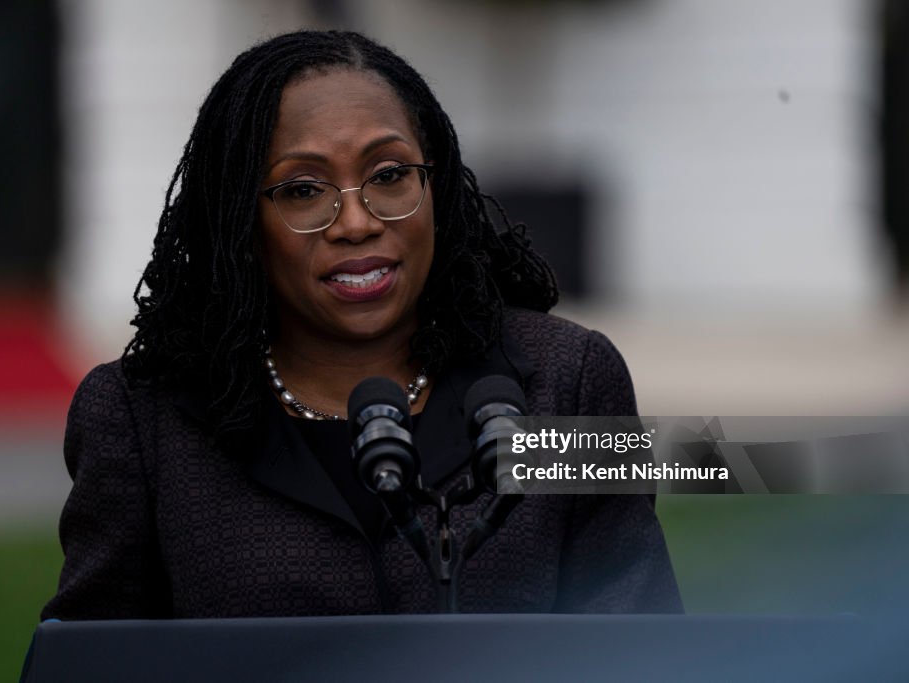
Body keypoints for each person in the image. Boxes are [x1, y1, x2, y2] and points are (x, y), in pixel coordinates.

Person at [41, 30, 682, 619]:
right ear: (240, 223)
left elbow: (643, 642)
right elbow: (96, 656)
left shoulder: (564, 385)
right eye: (302, 189)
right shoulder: (143, 421)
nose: (357, 223)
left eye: (391, 175)